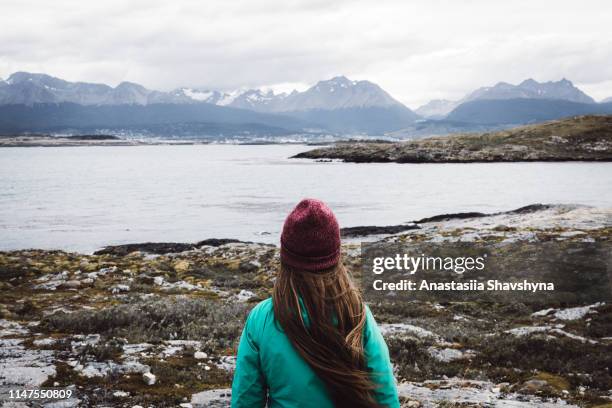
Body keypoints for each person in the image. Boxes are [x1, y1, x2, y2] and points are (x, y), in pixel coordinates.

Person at [231, 198, 399, 408]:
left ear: (286, 256)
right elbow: (385, 397)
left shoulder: (262, 318)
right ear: (335, 257)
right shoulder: (357, 314)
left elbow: (245, 401)